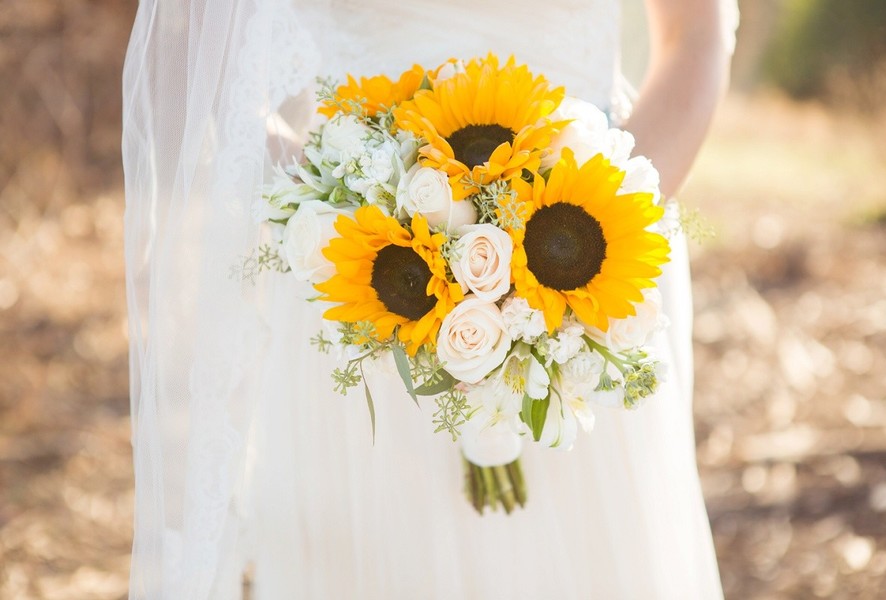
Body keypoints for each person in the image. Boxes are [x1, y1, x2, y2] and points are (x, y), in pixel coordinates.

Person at [122, 1, 737, 598]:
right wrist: (329, 198)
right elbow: (205, 49)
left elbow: (694, 33)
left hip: (585, 278)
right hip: (360, 276)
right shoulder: (347, 230)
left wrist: (596, 232)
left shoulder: (592, 246)